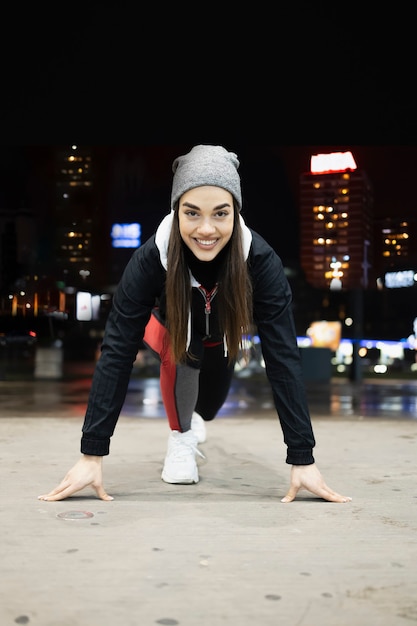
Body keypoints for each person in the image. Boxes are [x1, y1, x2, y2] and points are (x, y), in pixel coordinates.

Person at [38, 145, 352, 504]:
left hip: (219, 336)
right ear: (176, 213)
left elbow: (283, 357)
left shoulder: (261, 262)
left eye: (220, 213)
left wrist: (303, 459)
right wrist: (90, 454)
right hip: (168, 331)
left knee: (211, 405)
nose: (206, 229)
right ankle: (181, 438)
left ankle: (195, 421)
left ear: (235, 213)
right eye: (192, 213)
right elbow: (116, 351)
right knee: (182, 357)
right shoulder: (150, 259)